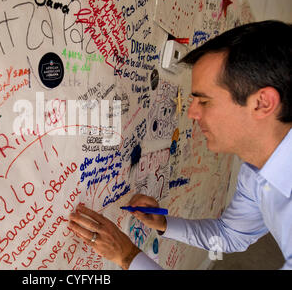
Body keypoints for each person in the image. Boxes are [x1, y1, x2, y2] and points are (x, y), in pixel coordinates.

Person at [68, 20, 292, 270]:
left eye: (204, 101)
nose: (192, 113)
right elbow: (231, 235)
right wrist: (163, 223)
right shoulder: (255, 171)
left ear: (263, 103)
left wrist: (128, 256)